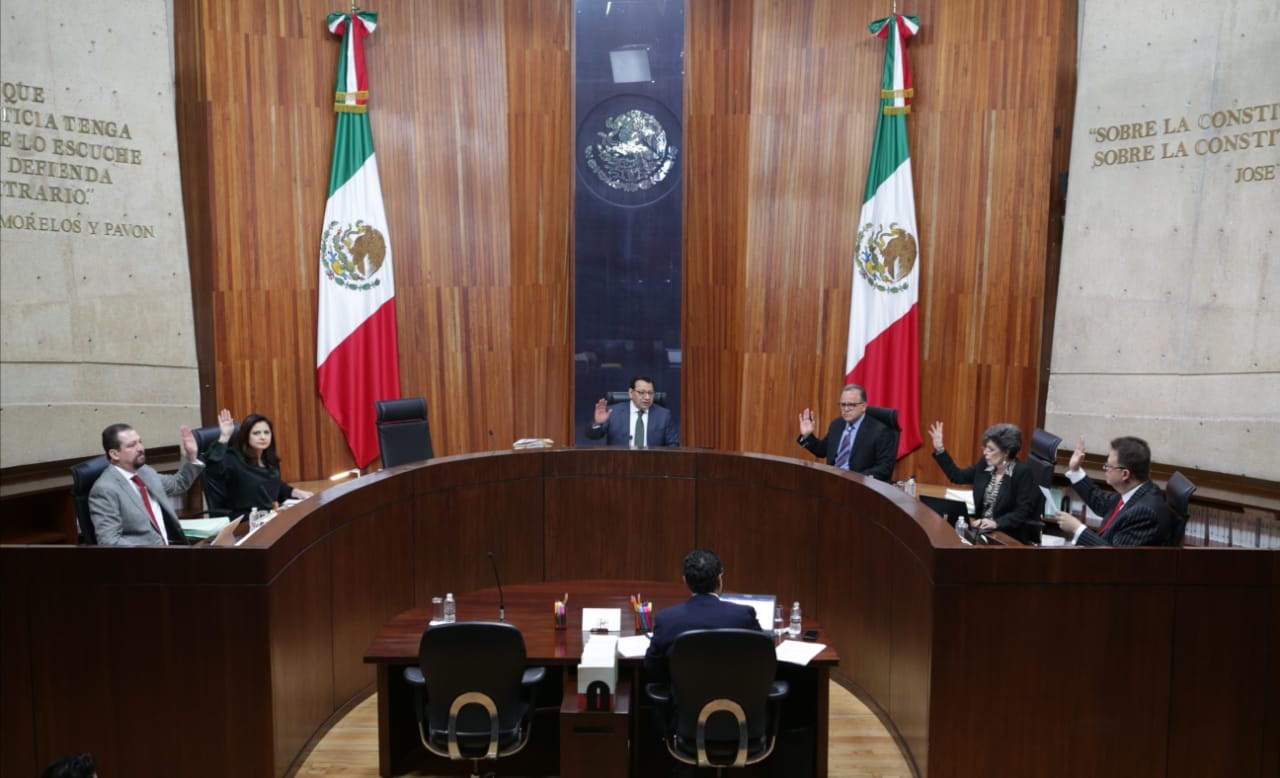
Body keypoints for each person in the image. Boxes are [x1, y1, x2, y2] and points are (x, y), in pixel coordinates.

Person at [643, 548, 763, 682]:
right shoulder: (743, 615)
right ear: (719, 580)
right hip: (736, 694)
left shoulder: (666, 619)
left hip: (684, 694)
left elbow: (652, 667)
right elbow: (765, 656)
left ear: (685, 581)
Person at [1044, 435, 1174, 546]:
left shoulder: (1145, 513)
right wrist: (1075, 470)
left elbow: (1115, 557)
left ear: (1125, 474)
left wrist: (1077, 528)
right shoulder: (1138, 490)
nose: (1104, 469)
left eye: (1108, 466)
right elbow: (1102, 504)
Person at [88, 423, 202, 546]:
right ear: (114, 454)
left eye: (140, 442)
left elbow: (178, 484)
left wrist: (191, 457)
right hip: (144, 556)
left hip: (172, 549)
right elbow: (110, 542)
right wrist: (149, 552)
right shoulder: (105, 489)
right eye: (132, 445)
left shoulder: (144, 471)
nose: (140, 448)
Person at [929, 421, 1042, 544]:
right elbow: (957, 476)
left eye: (991, 449)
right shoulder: (985, 466)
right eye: (985, 448)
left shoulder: (1021, 473)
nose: (985, 453)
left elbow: (1021, 512)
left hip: (1006, 536)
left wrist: (996, 523)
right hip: (981, 532)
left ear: (1006, 452)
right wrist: (940, 449)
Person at [204, 409, 312, 515]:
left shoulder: (269, 460)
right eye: (256, 433)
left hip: (270, 516)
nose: (263, 437)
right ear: (246, 436)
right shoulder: (233, 458)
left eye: (266, 432)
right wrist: (224, 437)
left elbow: (274, 485)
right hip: (245, 520)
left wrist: (296, 492)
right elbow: (213, 471)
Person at [797, 384, 896, 481]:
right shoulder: (837, 424)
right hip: (832, 480)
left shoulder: (880, 431)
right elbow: (822, 451)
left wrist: (855, 478)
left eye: (851, 405)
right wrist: (807, 435)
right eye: (843, 404)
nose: (846, 409)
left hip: (858, 485)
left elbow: (884, 468)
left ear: (863, 406)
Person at [584, 375, 679, 447]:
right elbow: (592, 436)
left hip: (652, 463)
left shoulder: (663, 415)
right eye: (641, 392)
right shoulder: (613, 412)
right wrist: (597, 424)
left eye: (650, 393)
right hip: (619, 463)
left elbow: (673, 445)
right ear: (631, 393)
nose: (647, 397)